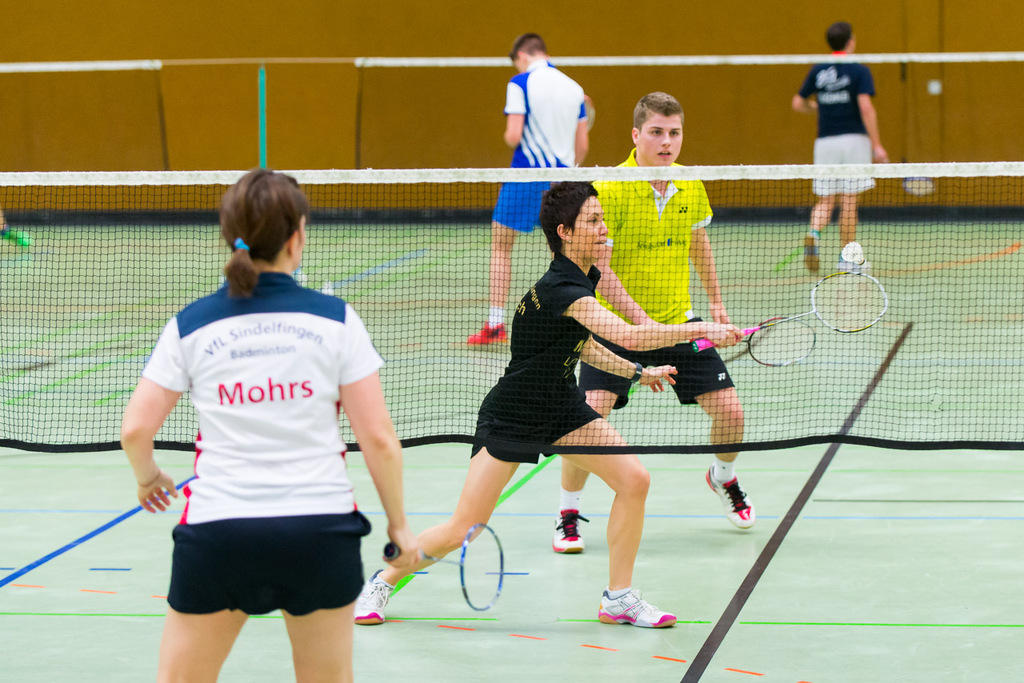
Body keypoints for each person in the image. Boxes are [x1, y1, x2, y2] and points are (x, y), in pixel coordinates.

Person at [357, 182, 742, 628]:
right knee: (466, 527)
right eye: (593, 221)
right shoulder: (562, 288)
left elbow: (582, 346)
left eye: (602, 219)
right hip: (515, 413)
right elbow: (632, 335)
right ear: (565, 232)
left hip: (561, 406)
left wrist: (638, 373)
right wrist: (702, 329)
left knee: (634, 480)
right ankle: (383, 580)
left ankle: (618, 598)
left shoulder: (584, 277)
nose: (604, 229)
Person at [120, 168, 418, 683]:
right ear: (297, 236)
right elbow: (378, 440)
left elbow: (134, 430)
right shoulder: (336, 320)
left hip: (219, 534)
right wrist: (399, 527)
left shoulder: (191, 325)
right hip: (319, 533)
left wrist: (148, 477)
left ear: (230, 235)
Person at [552, 92, 754, 556]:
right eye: (657, 132)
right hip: (616, 327)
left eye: (674, 133)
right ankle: (567, 511)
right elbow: (599, 266)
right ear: (636, 134)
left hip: (679, 321)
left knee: (732, 413)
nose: (667, 142)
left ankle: (722, 477)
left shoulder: (690, 183)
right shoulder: (609, 189)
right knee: (588, 418)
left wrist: (716, 303)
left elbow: (697, 242)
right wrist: (641, 323)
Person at [467, 32, 589, 345]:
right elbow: (582, 146)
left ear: (521, 56)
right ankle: (570, 321)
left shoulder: (519, 83)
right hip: (563, 180)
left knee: (501, 246)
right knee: (562, 254)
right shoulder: (574, 88)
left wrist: (511, 133)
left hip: (526, 176)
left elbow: (513, 135)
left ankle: (495, 323)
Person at [792, 21, 888, 274]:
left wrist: (817, 106)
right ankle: (847, 258)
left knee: (826, 200)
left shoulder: (819, 70)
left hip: (825, 142)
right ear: (851, 41)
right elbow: (866, 107)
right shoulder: (859, 70)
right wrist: (877, 145)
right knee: (848, 200)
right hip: (854, 141)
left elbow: (798, 103)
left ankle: (814, 234)